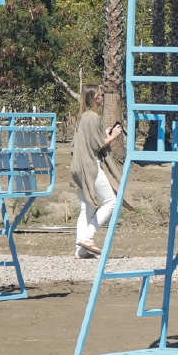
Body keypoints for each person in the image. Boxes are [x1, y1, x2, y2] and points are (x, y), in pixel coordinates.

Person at [70, 86, 123, 259]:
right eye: (101, 94)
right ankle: (87, 238)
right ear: (95, 98)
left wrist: (104, 133)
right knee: (111, 202)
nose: (103, 97)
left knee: (87, 207)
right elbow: (96, 145)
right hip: (89, 167)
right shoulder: (93, 117)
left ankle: (80, 250)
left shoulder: (83, 117)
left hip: (78, 167)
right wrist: (113, 136)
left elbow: (89, 140)